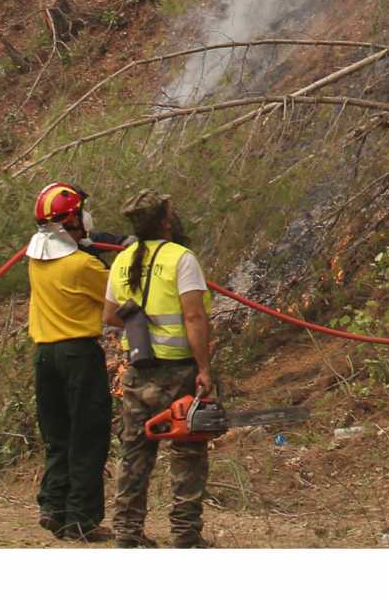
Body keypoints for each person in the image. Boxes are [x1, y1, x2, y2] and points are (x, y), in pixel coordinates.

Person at [104, 191, 219, 549]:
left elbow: (109, 317)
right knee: (187, 449)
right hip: (179, 370)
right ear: (166, 221)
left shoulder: (122, 260)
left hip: (137, 371)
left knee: (134, 451)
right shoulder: (181, 259)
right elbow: (194, 316)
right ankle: (185, 534)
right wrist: (205, 368)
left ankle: (127, 531)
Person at [27, 182, 113, 542]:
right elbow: (117, 294)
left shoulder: (34, 260)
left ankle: (53, 506)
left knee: (58, 436)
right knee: (88, 435)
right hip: (78, 355)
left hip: (45, 356)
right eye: (81, 212)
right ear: (70, 221)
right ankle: (81, 519)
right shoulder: (82, 265)